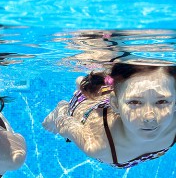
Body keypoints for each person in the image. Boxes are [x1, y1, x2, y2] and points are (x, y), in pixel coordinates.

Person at [43, 63, 176, 168]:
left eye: (162, 101)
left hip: (116, 98)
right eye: (135, 103)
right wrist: (61, 111)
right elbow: (64, 126)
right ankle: (76, 93)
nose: (150, 117)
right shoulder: (97, 144)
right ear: (116, 104)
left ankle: (90, 83)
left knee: (99, 87)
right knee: (51, 121)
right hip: (85, 107)